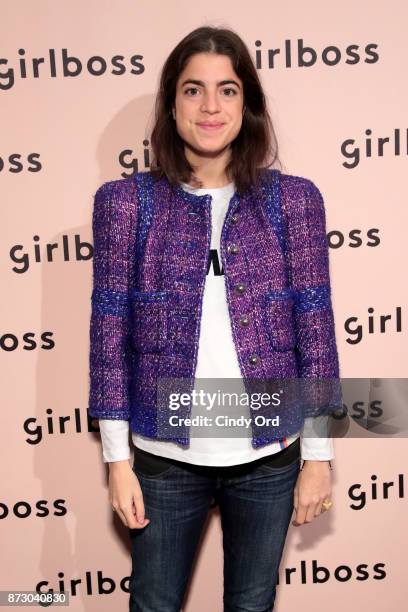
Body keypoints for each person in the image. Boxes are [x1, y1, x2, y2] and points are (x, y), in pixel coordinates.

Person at [88, 25, 340, 612]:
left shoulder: (294, 201)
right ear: (171, 105)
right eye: (193, 90)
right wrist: (118, 462)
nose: (210, 106)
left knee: (252, 605)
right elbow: (108, 340)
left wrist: (319, 458)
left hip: (270, 457)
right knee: (153, 605)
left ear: (246, 104)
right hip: (162, 457)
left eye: (227, 90)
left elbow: (315, 335)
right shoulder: (125, 204)